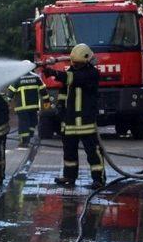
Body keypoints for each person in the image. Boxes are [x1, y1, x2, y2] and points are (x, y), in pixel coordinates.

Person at [42, 43, 106, 190]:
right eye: (74, 63)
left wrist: (53, 73)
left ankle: (98, 179)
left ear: (86, 60)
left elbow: (74, 78)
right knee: (69, 152)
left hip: (86, 121)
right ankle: (69, 177)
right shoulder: (72, 71)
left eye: (77, 63)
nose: (74, 65)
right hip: (70, 120)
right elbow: (64, 90)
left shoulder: (91, 73)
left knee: (93, 152)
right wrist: (60, 107)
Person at [5, 66, 50, 147]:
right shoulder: (36, 77)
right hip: (33, 106)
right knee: (33, 122)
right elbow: (43, 91)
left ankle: (24, 141)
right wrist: (47, 102)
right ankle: (29, 136)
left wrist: (5, 103)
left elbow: (10, 93)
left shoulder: (17, 78)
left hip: (22, 107)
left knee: (24, 124)